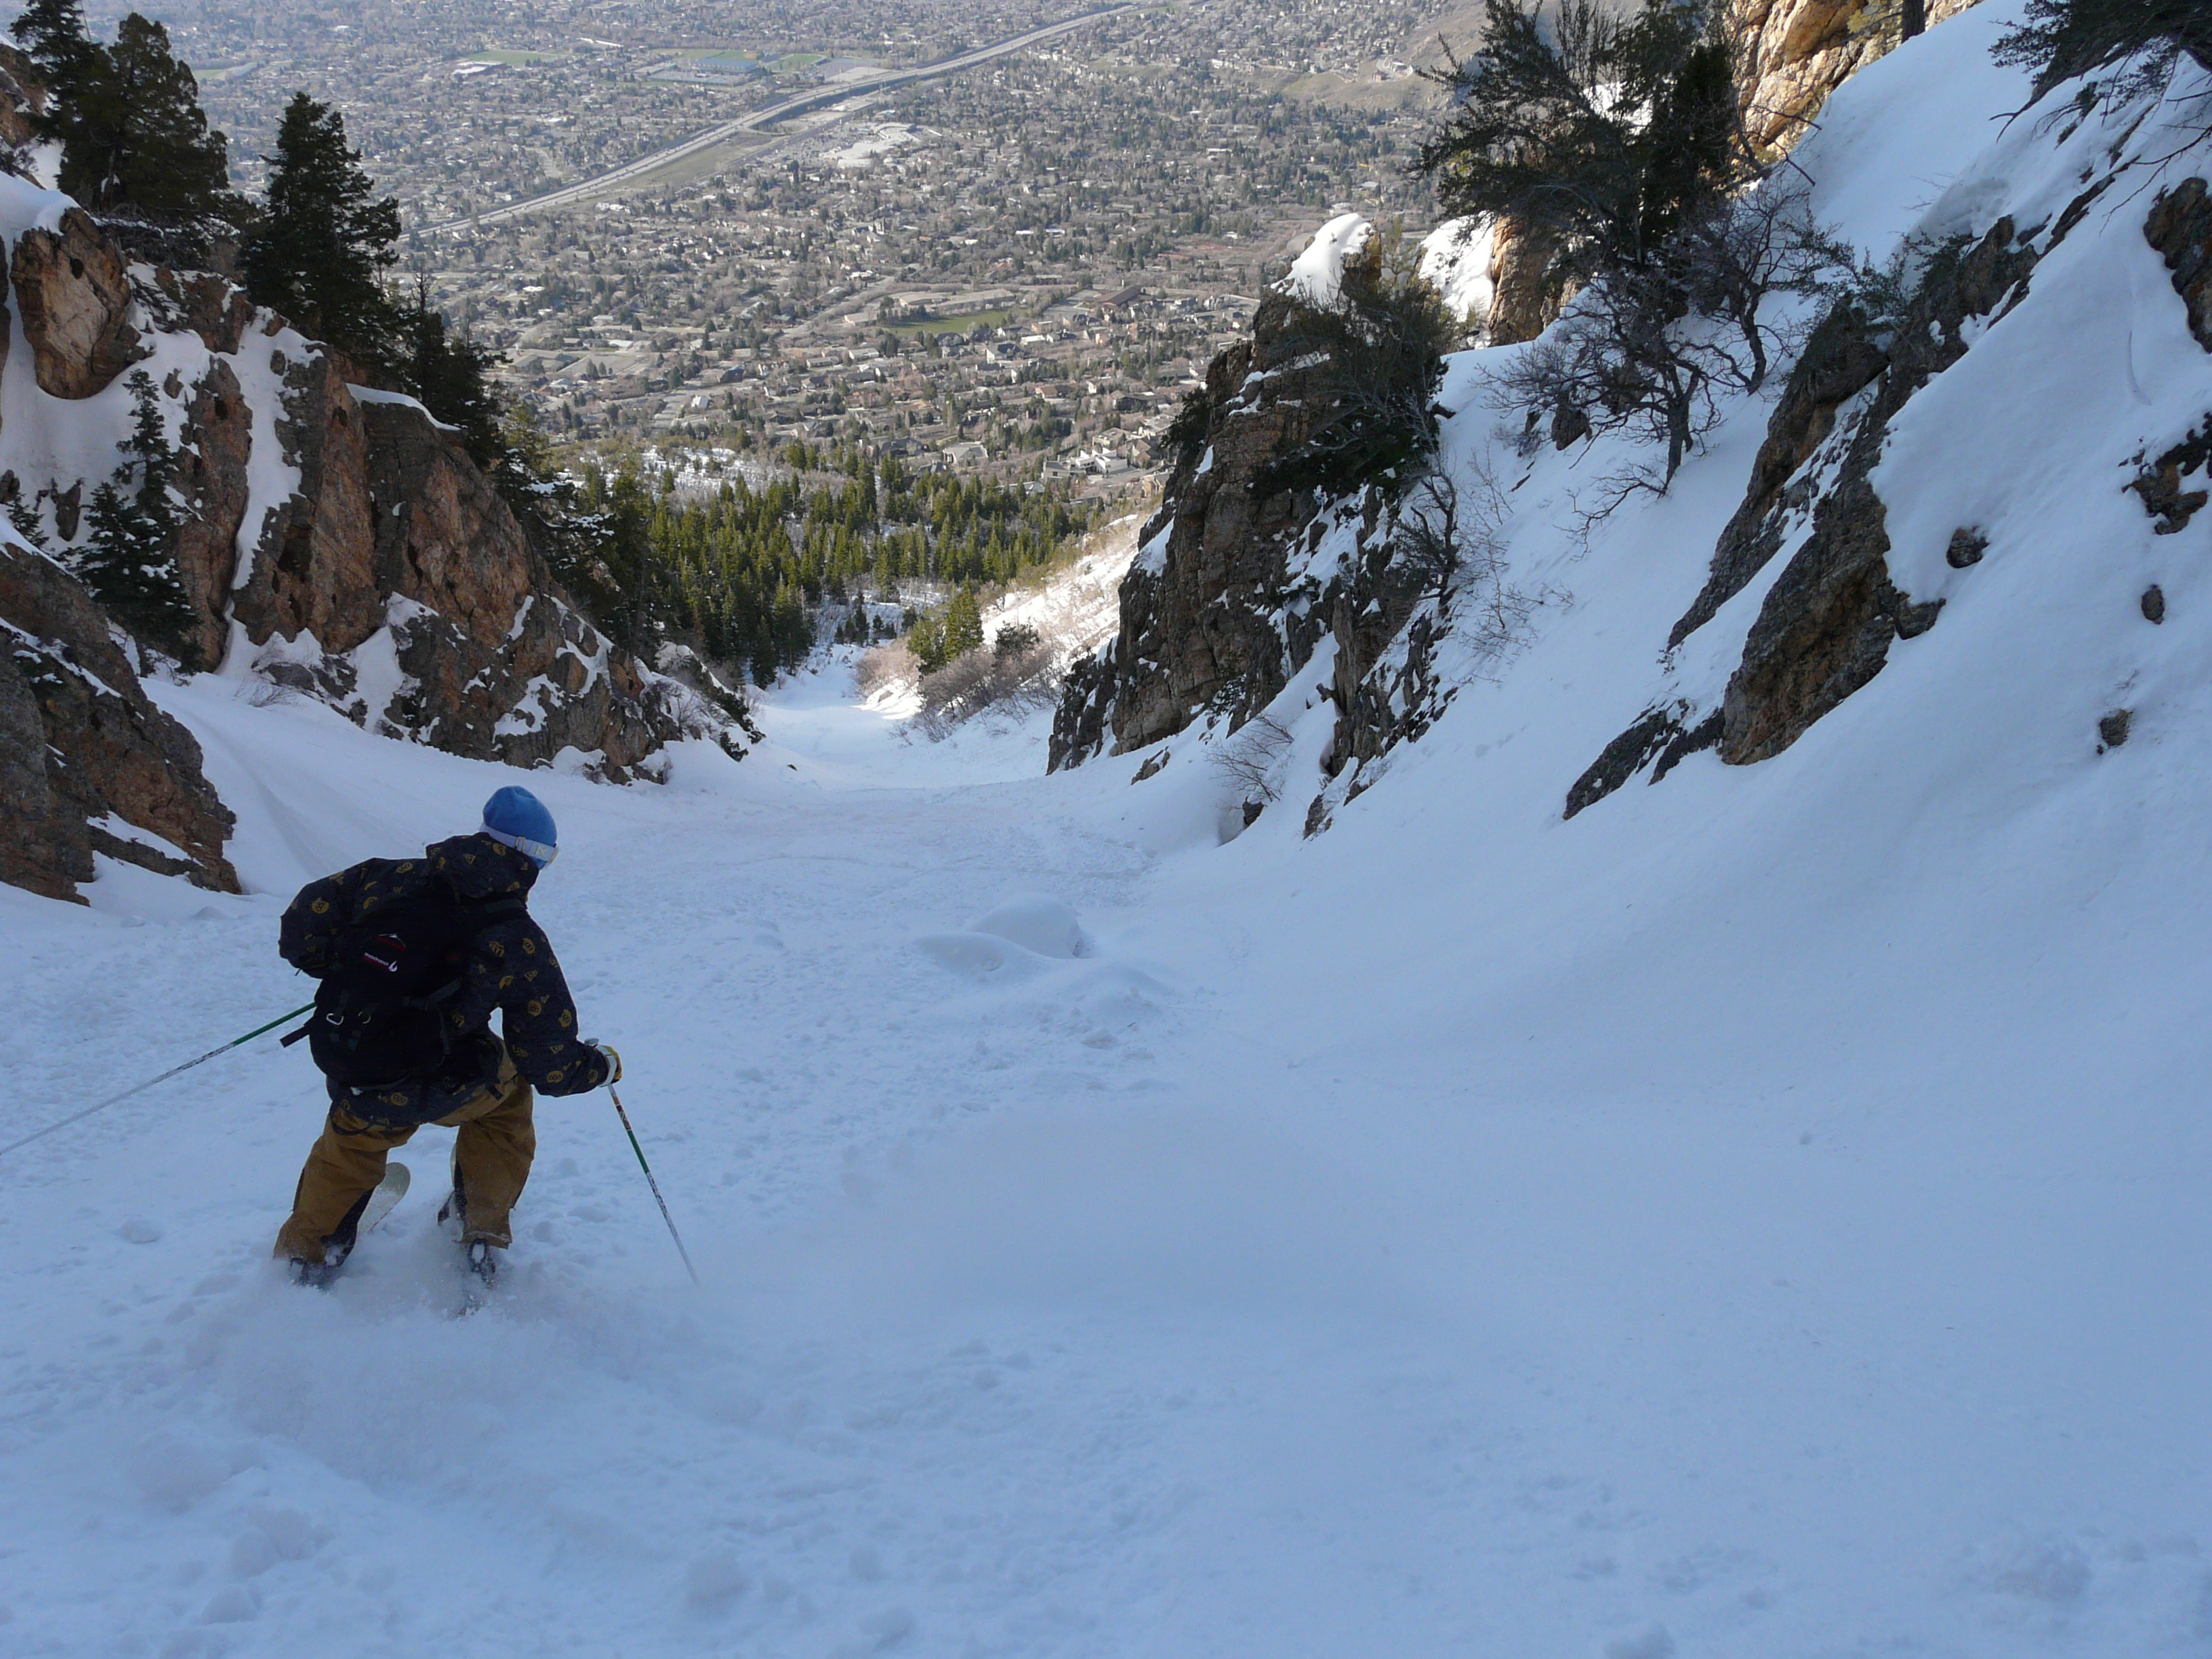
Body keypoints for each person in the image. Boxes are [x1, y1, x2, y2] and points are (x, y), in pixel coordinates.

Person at [271, 785, 619, 1286]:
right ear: (530, 858)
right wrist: (601, 1066)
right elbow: (549, 1063)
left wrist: (360, 976)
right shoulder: (516, 936)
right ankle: (480, 1229)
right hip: (450, 1077)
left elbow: (301, 931)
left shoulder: (388, 876)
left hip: (354, 1059)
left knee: (352, 1139)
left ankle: (305, 1254)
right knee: (508, 1098)